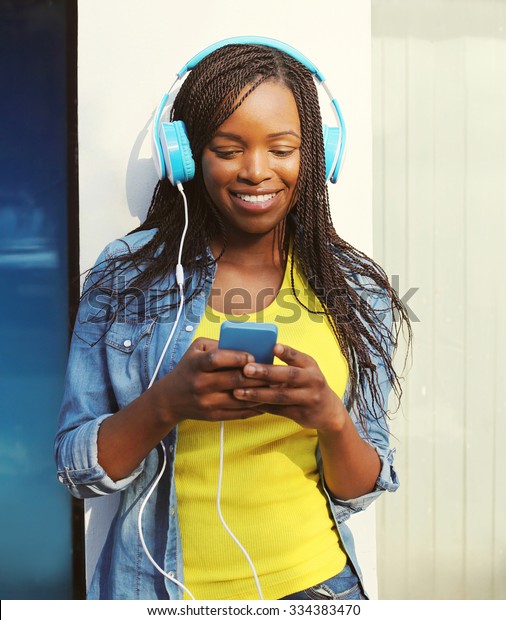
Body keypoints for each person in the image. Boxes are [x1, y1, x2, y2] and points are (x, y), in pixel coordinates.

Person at [55, 38, 411, 601]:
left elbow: (359, 490)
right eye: (228, 149)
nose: (256, 171)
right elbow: (77, 471)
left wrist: (331, 419)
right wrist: (166, 403)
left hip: (319, 591)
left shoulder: (355, 288)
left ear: (316, 154)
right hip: (160, 592)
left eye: (281, 148)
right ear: (186, 156)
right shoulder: (128, 275)